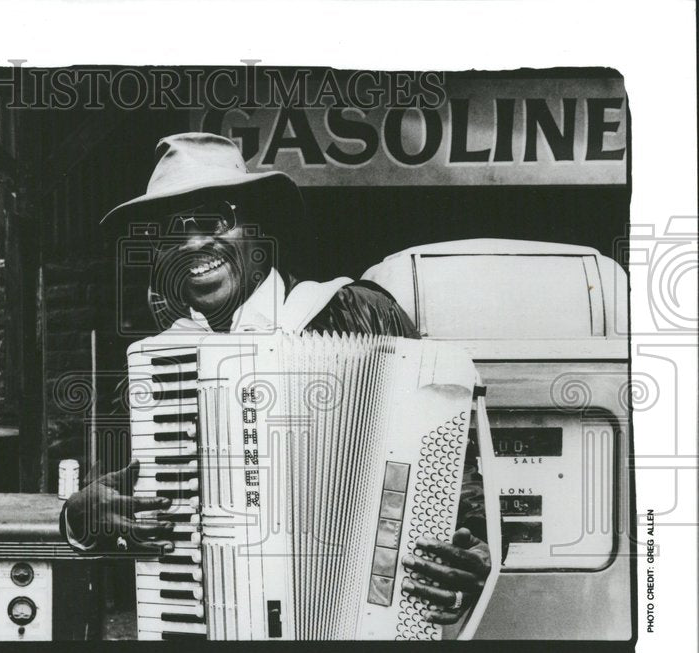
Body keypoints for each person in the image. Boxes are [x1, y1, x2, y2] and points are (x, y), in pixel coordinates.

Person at [62, 132, 490, 626]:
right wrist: (79, 517)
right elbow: (116, 524)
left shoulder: (359, 313)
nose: (191, 244)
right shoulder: (157, 367)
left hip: (362, 634)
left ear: (255, 228)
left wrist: (473, 554)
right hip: (210, 638)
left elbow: (457, 483)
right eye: (166, 231)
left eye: (211, 220)